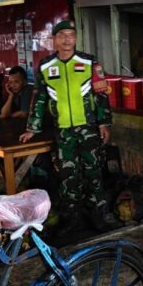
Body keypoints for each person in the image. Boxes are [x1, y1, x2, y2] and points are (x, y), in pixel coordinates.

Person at [19, 20, 119, 233]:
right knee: (68, 175)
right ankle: (73, 219)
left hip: (89, 128)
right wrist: (32, 128)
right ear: (54, 40)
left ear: (76, 38)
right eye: (62, 35)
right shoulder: (45, 66)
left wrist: (104, 123)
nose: (67, 39)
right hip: (63, 131)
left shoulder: (90, 62)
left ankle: (98, 216)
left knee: (93, 171)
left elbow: (101, 94)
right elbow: (39, 98)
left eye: (71, 35)